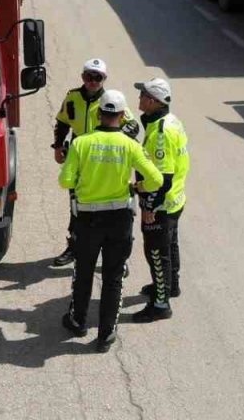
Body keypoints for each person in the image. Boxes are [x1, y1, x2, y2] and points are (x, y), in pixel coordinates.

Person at [59, 90, 163, 352]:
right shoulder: (130, 145)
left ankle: (77, 321)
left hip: (87, 219)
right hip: (119, 219)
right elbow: (156, 180)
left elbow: (65, 181)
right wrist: (135, 187)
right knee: (113, 277)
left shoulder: (81, 143)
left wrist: (85, 181)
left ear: (98, 113)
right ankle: (105, 335)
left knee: (83, 272)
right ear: (121, 115)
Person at [50, 58, 140, 267]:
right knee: (76, 205)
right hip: (80, 156)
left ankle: (119, 258)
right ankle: (74, 247)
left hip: (105, 159)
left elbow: (133, 126)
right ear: (83, 77)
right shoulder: (72, 97)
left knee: (114, 209)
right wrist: (57, 147)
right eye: (89, 76)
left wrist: (114, 136)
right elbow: (62, 122)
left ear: (104, 79)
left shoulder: (111, 100)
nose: (92, 81)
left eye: (97, 77)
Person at [130, 77, 191, 323]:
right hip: (175, 200)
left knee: (156, 252)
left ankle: (160, 303)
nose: (139, 98)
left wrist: (149, 206)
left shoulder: (161, 133)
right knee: (170, 246)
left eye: (143, 94)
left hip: (163, 203)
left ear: (153, 101)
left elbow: (162, 179)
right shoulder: (168, 121)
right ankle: (170, 286)